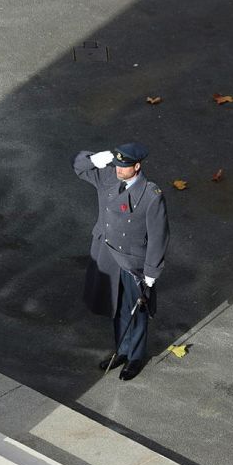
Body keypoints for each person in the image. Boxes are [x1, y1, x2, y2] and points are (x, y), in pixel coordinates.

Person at [73, 143, 169, 380]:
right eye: (116, 164)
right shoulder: (108, 175)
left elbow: (159, 235)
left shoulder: (150, 195)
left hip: (132, 260)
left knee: (136, 309)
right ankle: (122, 350)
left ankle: (134, 357)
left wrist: (151, 271)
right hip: (107, 252)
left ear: (137, 167)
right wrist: (94, 158)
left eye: (124, 167)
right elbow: (78, 166)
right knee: (115, 306)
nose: (118, 170)